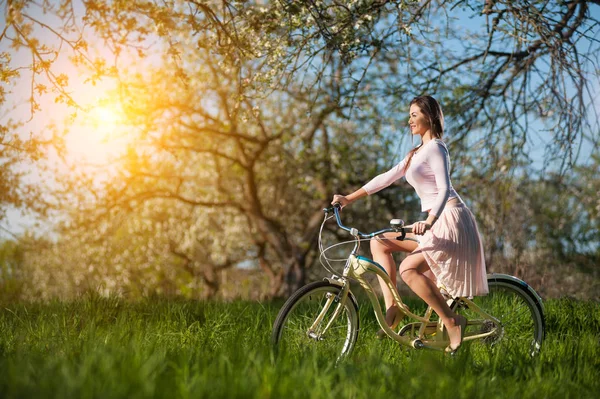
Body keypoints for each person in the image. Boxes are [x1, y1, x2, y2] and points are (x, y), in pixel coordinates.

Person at [331, 95, 488, 353]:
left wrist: (429, 220)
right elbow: (385, 178)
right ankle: (393, 309)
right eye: (410, 115)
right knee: (379, 242)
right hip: (435, 221)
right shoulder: (415, 153)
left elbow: (444, 188)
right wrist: (348, 198)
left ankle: (451, 321)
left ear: (429, 116)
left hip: (449, 219)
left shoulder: (437, 147)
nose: (410, 120)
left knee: (408, 270)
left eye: (414, 114)